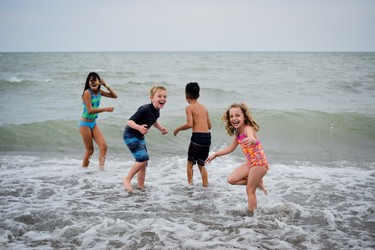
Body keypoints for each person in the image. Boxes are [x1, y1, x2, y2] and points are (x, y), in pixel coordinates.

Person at [205, 103, 268, 214]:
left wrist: (252, 140)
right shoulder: (238, 134)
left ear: (244, 116)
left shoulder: (248, 129)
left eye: (237, 115)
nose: (234, 118)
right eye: (231, 116)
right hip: (250, 163)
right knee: (231, 179)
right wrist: (216, 154)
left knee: (249, 189)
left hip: (259, 163)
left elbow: (252, 137)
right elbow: (230, 148)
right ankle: (256, 182)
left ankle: (252, 216)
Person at [123, 86, 168, 192]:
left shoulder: (156, 111)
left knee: (143, 162)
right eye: (159, 96)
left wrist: (161, 128)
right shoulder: (145, 109)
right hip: (130, 135)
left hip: (139, 136)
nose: (162, 98)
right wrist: (139, 127)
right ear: (151, 98)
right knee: (143, 158)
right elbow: (129, 122)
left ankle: (141, 187)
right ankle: (127, 179)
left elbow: (154, 121)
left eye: (165, 96)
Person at [174, 82, 212, 187]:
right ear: (198, 95)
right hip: (207, 137)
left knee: (190, 163)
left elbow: (190, 124)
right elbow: (210, 126)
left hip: (197, 137)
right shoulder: (204, 108)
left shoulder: (189, 108)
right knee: (201, 164)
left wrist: (178, 129)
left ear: (186, 95)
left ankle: (190, 186)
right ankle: (205, 186)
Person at [79, 72, 118, 170]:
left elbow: (114, 96)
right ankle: (83, 171)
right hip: (84, 124)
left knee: (104, 146)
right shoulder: (87, 93)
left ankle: (101, 170)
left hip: (93, 123)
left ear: (98, 82)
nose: (92, 82)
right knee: (89, 150)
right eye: (90, 80)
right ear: (88, 83)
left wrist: (106, 85)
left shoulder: (99, 92)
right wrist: (106, 109)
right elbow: (90, 110)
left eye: (94, 80)